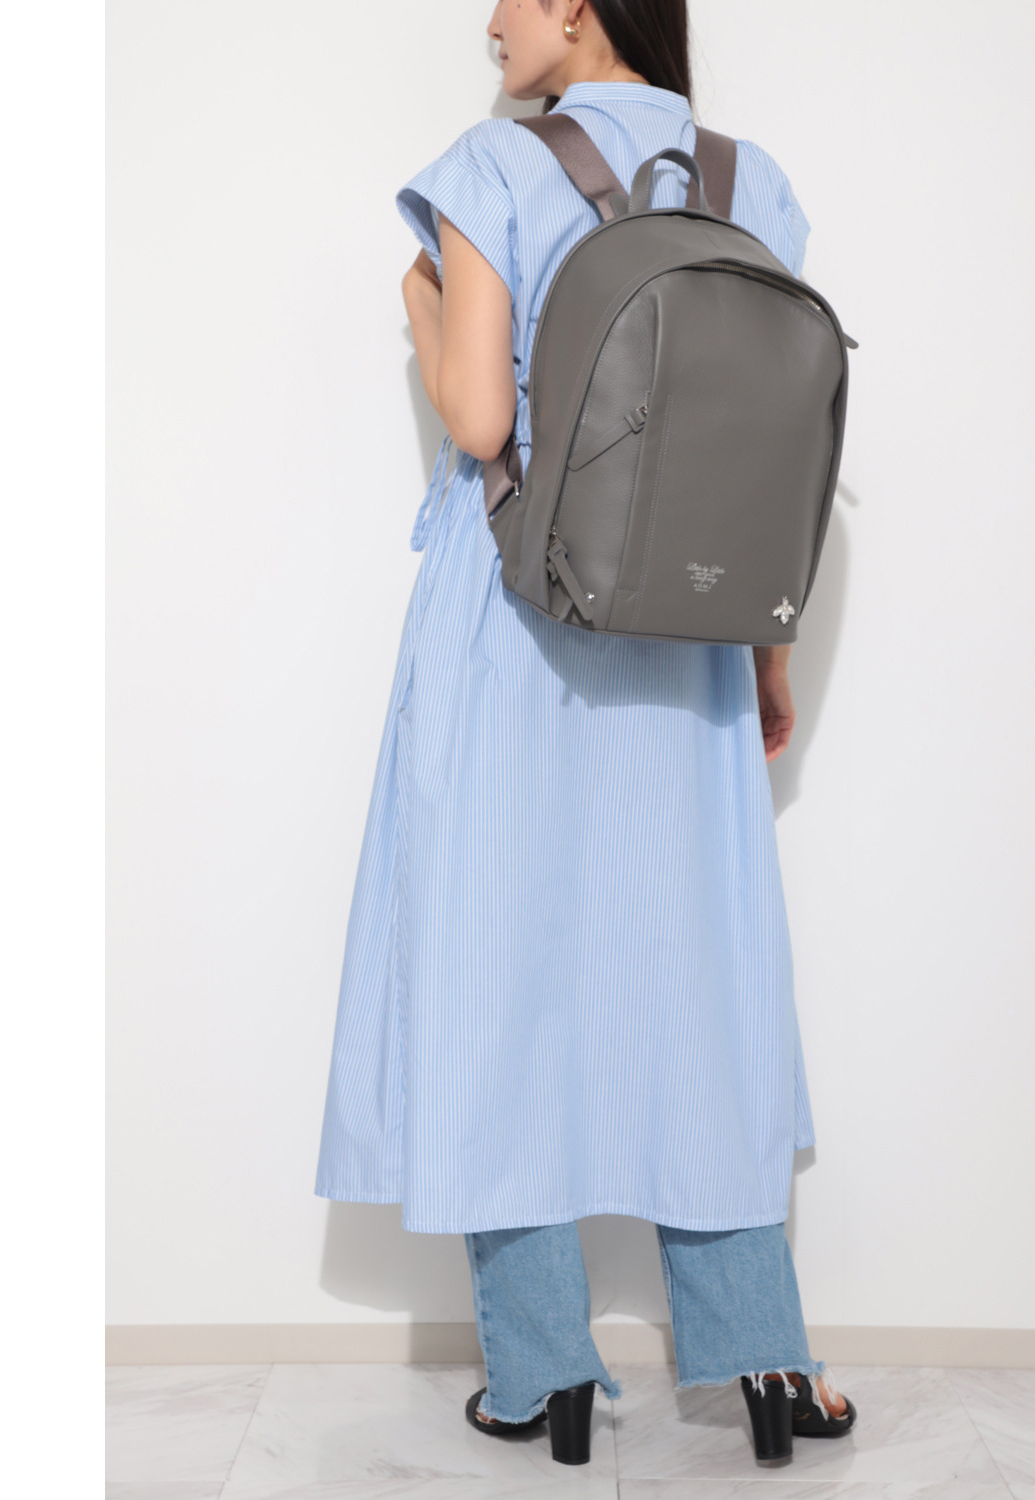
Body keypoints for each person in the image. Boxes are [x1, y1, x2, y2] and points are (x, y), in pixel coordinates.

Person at [315, 0, 854, 1464]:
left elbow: (480, 423)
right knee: (703, 988)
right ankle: (763, 1357)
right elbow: (764, 451)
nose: (487, 22)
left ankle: (542, 1369)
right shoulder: (751, 181)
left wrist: (422, 303)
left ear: (574, 1)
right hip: (693, 634)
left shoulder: (493, 167)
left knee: (496, 978)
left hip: (514, 620)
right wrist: (768, 653)